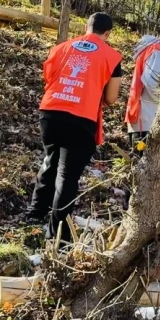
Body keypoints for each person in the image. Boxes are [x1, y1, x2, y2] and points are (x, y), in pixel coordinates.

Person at [26, 13, 122, 242]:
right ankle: (58, 233)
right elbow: (111, 98)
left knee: (50, 160)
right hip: (81, 117)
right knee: (67, 175)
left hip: (51, 111)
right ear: (107, 33)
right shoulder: (111, 56)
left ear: (86, 27)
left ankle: (35, 213)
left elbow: (49, 77)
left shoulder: (61, 47)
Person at [125, 33, 160, 145]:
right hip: (148, 116)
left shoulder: (149, 48)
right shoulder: (157, 50)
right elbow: (151, 82)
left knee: (136, 153)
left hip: (139, 113)